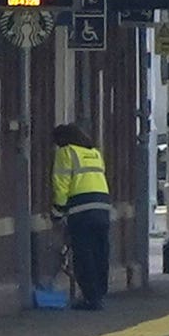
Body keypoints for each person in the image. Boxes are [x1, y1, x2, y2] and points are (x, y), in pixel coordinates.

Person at [50, 124, 116, 310]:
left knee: (83, 254)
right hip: (102, 206)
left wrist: (57, 211)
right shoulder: (95, 153)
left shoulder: (66, 152)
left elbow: (61, 183)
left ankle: (90, 298)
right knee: (100, 252)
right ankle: (100, 293)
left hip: (81, 208)